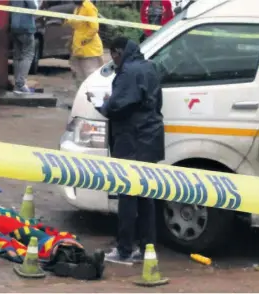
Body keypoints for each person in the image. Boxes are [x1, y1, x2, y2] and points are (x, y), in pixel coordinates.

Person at [88, 37, 164, 264]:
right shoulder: (149, 67)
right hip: (149, 139)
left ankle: (124, 250)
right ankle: (147, 247)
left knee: (128, 196)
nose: (113, 60)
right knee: (146, 196)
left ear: (119, 52)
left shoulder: (128, 72)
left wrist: (102, 104)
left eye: (113, 55)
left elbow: (117, 106)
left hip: (132, 140)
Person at [66, 0, 104, 89]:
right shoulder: (78, 8)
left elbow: (94, 28)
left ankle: (92, 101)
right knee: (79, 79)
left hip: (90, 51)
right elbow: (77, 26)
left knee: (90, 79)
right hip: (77, 49)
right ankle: (82, 100)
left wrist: (84, 40)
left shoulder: (89, 7)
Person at [10, 0, 38, 94]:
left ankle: (17, 84)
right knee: (28, 54)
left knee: (17, 56)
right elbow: (33, 7)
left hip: (14, 26)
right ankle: (21, 83)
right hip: (26, 26)